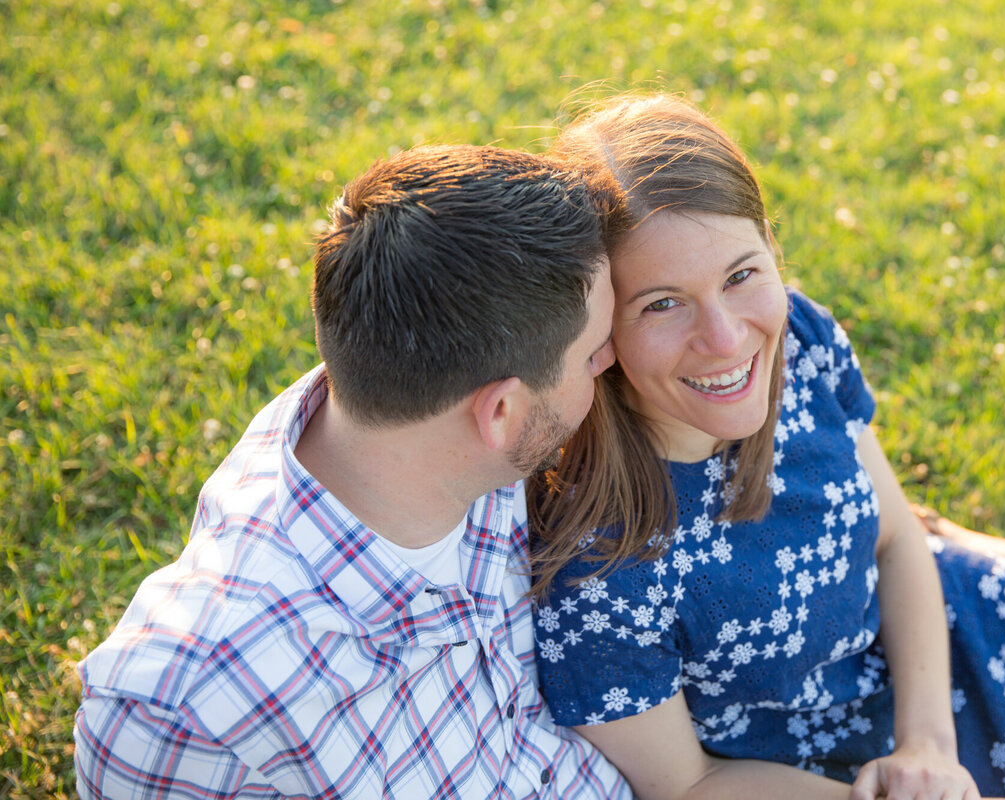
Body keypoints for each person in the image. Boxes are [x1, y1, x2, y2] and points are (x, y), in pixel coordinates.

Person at [528, 93, 1005, 800]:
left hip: (948, 636)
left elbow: (896, 539)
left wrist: (929, 742)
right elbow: (689, 782)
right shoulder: (599, 563)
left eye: (741, 274)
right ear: (600, 326)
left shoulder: (801, 342)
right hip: (853, 767)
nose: (726, 338)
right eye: (662, 303)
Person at [73, 145, 631, 799]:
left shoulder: (440, 438)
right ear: (501, 411)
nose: (612, 362)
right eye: (593, 353)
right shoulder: (187, 709)